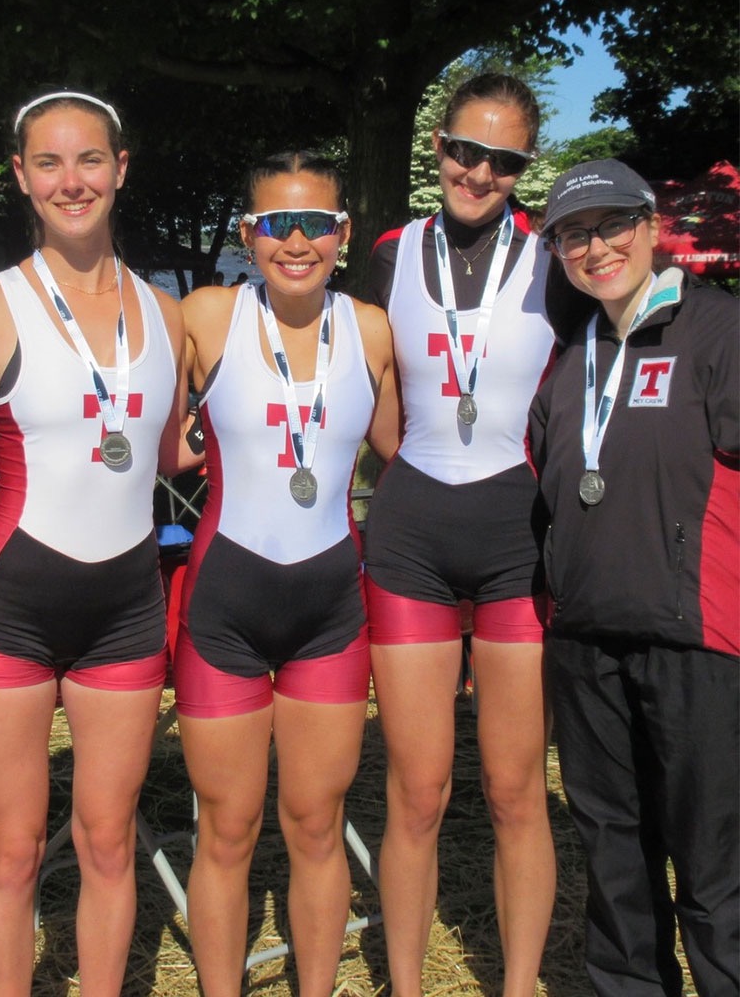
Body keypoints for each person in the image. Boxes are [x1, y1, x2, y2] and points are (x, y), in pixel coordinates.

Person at [0, 91, 190, 996]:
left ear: (120, 166)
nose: (71, 181)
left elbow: (173, 451)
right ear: (20, 177)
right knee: (13, 850)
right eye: (48, 163)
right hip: (14, 600)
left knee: (106, 838)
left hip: (126, 609)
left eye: (88, 159)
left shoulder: (167, 314)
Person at [358, 72, 578, 997]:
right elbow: (372, 390)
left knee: (516, 792)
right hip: (411, 529)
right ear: (438, 146)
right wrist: (402, 465)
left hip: (514, 538)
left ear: (521, 170)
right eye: (463, 149)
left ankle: (517, 986)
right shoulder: (388, 252)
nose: (477, 172)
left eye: (502, 159)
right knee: (415, 795)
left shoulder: (556, 260)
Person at [175, 152, 400, 997]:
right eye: (276, 223)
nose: (296, 241)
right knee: (226, 832)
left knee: (315, 825)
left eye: (316, 224)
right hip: (225, 609)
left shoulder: (371, 328)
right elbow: (141, 443)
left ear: (342, 235)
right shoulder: (203, 316)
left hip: (329, 612)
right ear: (247, 234)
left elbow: (410, 462)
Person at [529, 158, 738, 997]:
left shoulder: (718, 329)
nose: (597, 246)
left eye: (614, 225)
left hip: (697, 639)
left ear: (651, 228)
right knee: (613, 861)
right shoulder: (568, 354)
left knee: (715, 869)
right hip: (584, 640)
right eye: (575, 234)